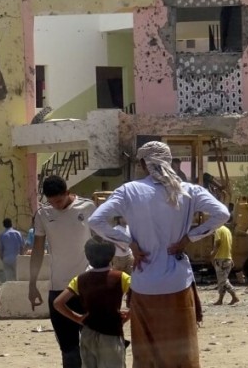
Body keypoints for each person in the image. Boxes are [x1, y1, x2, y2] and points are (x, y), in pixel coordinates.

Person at [89, 141, 229, 368]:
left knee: (147, 353)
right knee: (182, 351)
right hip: (178, 282)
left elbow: (96, 221)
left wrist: (129, 243)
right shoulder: (189, 190)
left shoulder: (129, 190)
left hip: (144, 284)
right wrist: (189, 238)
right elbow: (222, 214)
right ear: (169, 161)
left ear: (144, 164)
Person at [29, 175, 97, 368]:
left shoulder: (88, 207)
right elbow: (37, 250)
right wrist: (32, 284)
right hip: (59, 288)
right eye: (51, 202)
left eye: (59, 200)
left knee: (93, 347)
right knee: (69, 351)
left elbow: (101, 240)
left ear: (67, 193)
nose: (56, 205)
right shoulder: (43, 214)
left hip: (87, 287)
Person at [54, 238, 131, 368]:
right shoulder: (121, 277)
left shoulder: (79, 279)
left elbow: (58, 303)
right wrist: (128, 316)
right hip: (111, 333)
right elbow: (139, 299)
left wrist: (77, 318)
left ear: (87, 257)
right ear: (112, 256)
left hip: (87, 333)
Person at [211, 220, 239, 305]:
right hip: (228, 258)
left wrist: (212, 254)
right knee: (222, 280)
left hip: (221, 259)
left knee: (222, 281)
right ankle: (220, 299)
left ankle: (234, 296)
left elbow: (218, 243)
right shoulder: (227, 230)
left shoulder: (218, 230)